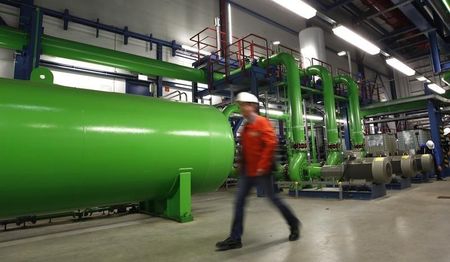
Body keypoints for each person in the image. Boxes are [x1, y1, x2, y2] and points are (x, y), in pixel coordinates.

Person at [216, 92, 300, 251]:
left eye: (243, 105)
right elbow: (245, 150)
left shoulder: (262, 122)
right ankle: (235, 238)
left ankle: (293, 224)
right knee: (239, 202)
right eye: (240, 106)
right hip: (248, 172)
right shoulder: (247, 126)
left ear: (253, 106)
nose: (241, 108)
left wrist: (262, 166)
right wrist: (241, 167)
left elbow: (270, 143)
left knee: (274, 199)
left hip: (262, 171)